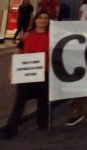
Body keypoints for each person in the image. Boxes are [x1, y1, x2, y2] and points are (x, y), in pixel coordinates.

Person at [2, 11, 51, 140]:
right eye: (40, 18)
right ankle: (11, 129)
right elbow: (19, 51)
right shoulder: (27, 35)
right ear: (35, 20)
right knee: (20, 101)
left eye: (46, 18)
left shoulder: (51, 36)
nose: (43, 20)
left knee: (43, 101)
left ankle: (42, 123)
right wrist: (13, 69)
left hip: (44, 73)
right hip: (25, 73)